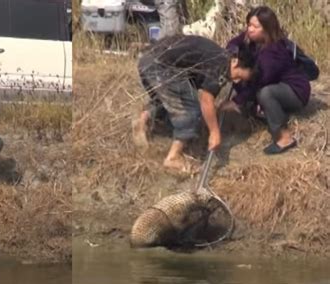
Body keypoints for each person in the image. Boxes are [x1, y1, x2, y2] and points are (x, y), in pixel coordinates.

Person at [132, 34, 256, 172]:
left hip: (147, 61)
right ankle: (173, 157)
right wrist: (214, 132)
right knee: (191, 111)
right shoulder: (221, 66)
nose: (236, 81)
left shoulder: (217, 54)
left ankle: (143, 121)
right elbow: (206, 99)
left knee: (167, 100)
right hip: (161, 68)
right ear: (235, 61)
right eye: (238, 75)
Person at [220, 6, 311, 155]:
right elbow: (235, 42)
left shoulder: (273, 52)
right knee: (247, 82)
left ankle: (284, 138)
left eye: (255, 26)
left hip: (295, 91)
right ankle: (265, 111)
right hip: (275, 84)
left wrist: (236, 101)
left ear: (267, 29)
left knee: (265, 93)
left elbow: (259, 83)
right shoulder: (253, 39)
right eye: (249, 25)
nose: (250, 29)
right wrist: (233, 53)